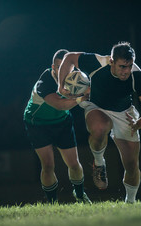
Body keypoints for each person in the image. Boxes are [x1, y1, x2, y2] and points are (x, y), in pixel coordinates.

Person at [58, 42, 141, 203]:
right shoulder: (97, 62)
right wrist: (61, 84)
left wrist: (138, 123)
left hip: (124, 113)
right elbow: (69, 57)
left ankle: (131, 202)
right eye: (122, 66)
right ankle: (99, 163)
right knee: (100, 127)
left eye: (129, 66)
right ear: (111, 61)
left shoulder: (137, 76)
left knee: (131, 165)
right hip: (96, 106)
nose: (126, 71)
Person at [23, 49, 91, 204]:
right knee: (48, 165)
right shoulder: (44, 83)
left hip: (61, 122)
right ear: (53, 68)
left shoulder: (77, 79)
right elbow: (60, 105)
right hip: (37, 124)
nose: (65, 73)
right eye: (60, 68)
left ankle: (80, 195)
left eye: (68, 68)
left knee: (74, 164)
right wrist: (81, 98)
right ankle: (52, 203)